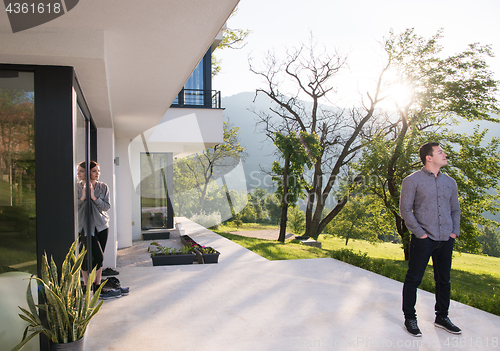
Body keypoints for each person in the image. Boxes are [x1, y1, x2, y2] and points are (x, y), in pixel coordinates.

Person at [399, 142, 462, 337]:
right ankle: (410, 318)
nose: (445, 154)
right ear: (429, 157)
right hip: (423, 239)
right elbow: (405, 210)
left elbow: (455, 209)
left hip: (446, 238)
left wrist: (454, 231)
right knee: (413, 279)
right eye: (440, 152)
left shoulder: (450, 182)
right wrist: (420, 233)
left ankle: (442, 317)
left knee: (444, 280)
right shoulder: (412, 180)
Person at [77, 161, 120, 299]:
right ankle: (86, 285)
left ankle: (96, 287)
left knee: (99, 259)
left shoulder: (103, 187)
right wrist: (83, 196)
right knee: (90, 257)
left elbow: (106, 206)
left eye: (98, 171)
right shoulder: (76, 187)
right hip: (84, 228)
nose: (97, 173)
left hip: (101, 226)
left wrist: (94, 197)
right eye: (94, 171)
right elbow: (73, 206)